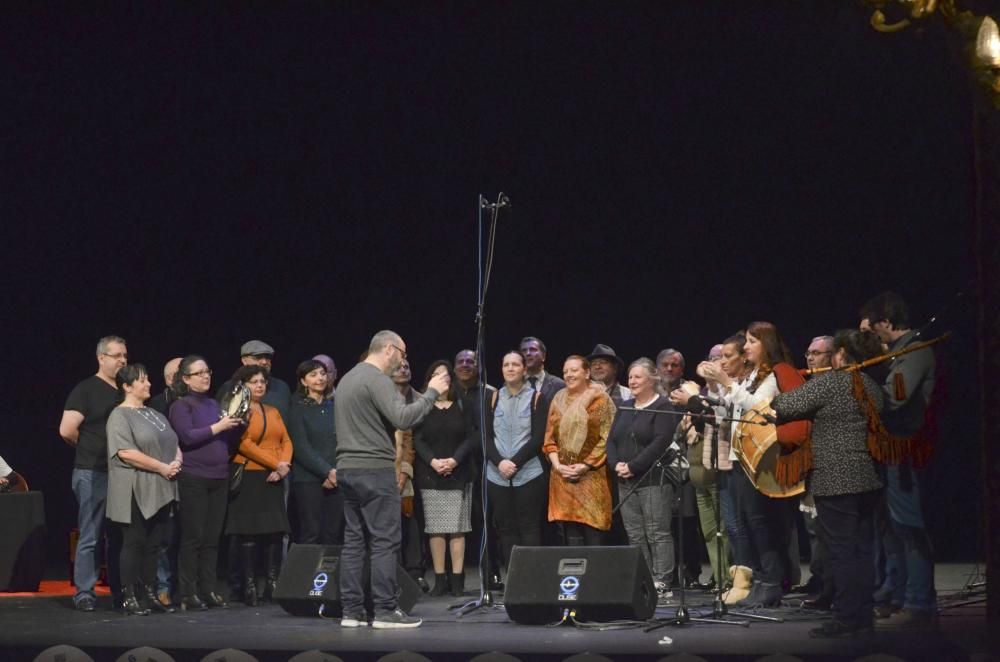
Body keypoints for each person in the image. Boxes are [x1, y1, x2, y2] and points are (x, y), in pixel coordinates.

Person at [771, 329, 886, 638]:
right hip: (868, 478)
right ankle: (862, 616)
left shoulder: (832, 382)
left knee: (843, 552)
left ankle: (847, 618)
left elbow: (785, 406)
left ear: (840, 355)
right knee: (862, 550)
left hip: (836, 480)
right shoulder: (872, 386)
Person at [335, 330, 449, 629]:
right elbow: (404, 419)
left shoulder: (347, 378)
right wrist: (434, 392)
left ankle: (351, 611)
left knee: (354, 541)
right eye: (402, 353)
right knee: (385, 541)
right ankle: (385, 611)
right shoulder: (376, 380)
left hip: (347, 468)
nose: (403, 360)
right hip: (373, 469)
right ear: (389, 349)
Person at [693, 322, 806, 607]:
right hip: (741, 456)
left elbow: (758, 410)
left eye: (752, 341)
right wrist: (711, 395)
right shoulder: (752, 376)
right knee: (745, 523)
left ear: (766, 344)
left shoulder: (772, 375)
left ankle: (770, 582)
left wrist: (727, 383)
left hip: (760, 459)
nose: (746, 346)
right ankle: (758, 580)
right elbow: (733, 412)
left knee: (759, 523)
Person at [860, 292, 938, 628]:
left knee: (909, 527)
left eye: (872, 331)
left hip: (904, 450)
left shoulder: (914, 350)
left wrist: (859, 385)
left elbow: (895, 397)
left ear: (886, 323)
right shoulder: (895, 354)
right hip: (886, 448)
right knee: (889, 527)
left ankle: (920, 603)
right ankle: (896, 591)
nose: (870, 339)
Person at [168, 355, 244, 611]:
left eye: (207, 371)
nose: (205, 376)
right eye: (199, 373)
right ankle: (187, 592)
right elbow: (188, 437)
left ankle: (208, 589)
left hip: (219, 476)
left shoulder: (213, 404)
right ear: (186, 379)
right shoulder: (182, 406)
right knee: (193, 538)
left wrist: (237, 422)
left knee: (212, 538)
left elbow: (226, 436)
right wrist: (220, 426)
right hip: (194, 478)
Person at [105, 364, 181, 615]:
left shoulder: (155, 414)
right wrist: (161, 467)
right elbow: (126, 453)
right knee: (134, 542)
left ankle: (149, 593)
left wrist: (176, 462)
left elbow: (173, 442)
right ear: (126, 387)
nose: (148, 384)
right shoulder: (119, 415)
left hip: (161, 486)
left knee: (155, 544)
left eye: (147, 379)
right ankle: (128, 596)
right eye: (141, 381)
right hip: (135, 486)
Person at [59, 335, 128, 612]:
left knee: (119, 536)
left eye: (125, 355)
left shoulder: (125, 390)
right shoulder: (86, 389)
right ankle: (85, 593)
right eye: (117, 355)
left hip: (120, 474)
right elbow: (66, 430)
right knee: (90, 535)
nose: (123, 360)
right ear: (101, 358)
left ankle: (119, 591)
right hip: (92, 472)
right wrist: (89, 446)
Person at [606, 357, 683, 594]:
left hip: (652, 479)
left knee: (657, 532)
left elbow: (661, 441)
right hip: (625, 479)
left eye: (638, 376)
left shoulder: (662, 406)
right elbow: (611, 440)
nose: (632, 381)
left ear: (653, 379)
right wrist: (616, 464)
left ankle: (662, 580)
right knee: (635, 533)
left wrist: (634, 466)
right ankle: (644, 577)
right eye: (630, 377)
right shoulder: (625, 406)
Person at [224, 365, 293, 606]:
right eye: (254, 381)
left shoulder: (272, 410)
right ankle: (249, 585)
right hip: (251, 476)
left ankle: (272, 584)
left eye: (263, 381)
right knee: (248, 534)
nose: (260, 385)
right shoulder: (239, 410)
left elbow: (286, 439)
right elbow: (245, 444)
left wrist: (283, 464)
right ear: (243, 385)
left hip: (274, 477)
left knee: (275, 532)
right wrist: (276, 464)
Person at [413, 361, 475, 597]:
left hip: (458, 474)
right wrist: (434, 462)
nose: (442, 379)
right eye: (436, 375)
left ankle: (457, 581)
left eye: (445, 375)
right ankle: (440, 579)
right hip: (431, 474)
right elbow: (417, 439)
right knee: (436, 530)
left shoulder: (463, 404)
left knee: (458, 529)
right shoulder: (423, 405)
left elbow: (471, 437)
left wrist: (454, 461)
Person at [484, 351, 547, 582]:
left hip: (528, 473)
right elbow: (486, 437)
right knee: (506, 529)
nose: (510, 368)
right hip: (497, 474)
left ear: (524, 369)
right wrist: (500, 462)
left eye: (515, 364)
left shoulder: (537, 398)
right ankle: (515, 581)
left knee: (529, 527)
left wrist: (515, 462)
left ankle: (534, 581)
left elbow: (538, 437)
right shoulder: (491, 398)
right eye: (506, 364)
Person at [543, 355, 615, 546]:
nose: (568, 375)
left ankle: (596, 576)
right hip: (562, 478)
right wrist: (558, 465)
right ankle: (575, 578)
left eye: (574, 370)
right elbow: (549, 439)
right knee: (570, 535)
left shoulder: (600, 400)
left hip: (591, 476)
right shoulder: (557, 399)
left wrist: (585, 465)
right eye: (565, 371)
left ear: (587, 373)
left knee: (593, 533)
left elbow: (607, 438)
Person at [287, 359, 341, 545]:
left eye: (322, 374)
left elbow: (342, 442)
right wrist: (327, 471)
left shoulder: (335, 407)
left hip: (337, 478)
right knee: (311, 532)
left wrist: (335, 471)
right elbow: (301, 447)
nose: (320, 378)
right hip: (308, 480)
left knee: (333, 533)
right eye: (313, 375)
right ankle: (307, 575)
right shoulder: (297, 408)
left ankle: (328, 575)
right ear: (303, 381)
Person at [391, 358, 429, 591]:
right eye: (398, 366)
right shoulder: (381, 396)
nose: (403, 369)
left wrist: (404, 471)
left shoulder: (418, 399)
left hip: (410, 470)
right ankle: (393, 574)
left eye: (407, 366)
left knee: (411, 522)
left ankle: (415, 572)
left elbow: (407, 438)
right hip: (381, 470)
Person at [215, 340, 293, 421]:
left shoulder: (282, 387)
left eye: (267, 358)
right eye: (258, 357)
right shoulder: (230, 387)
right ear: (244, 361)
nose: (264, 362)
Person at [520, 336, 565, 404]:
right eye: (524, 350)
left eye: (533, 349)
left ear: (543, 356)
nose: (528, 353)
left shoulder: (559, 385)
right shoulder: (512, 385)